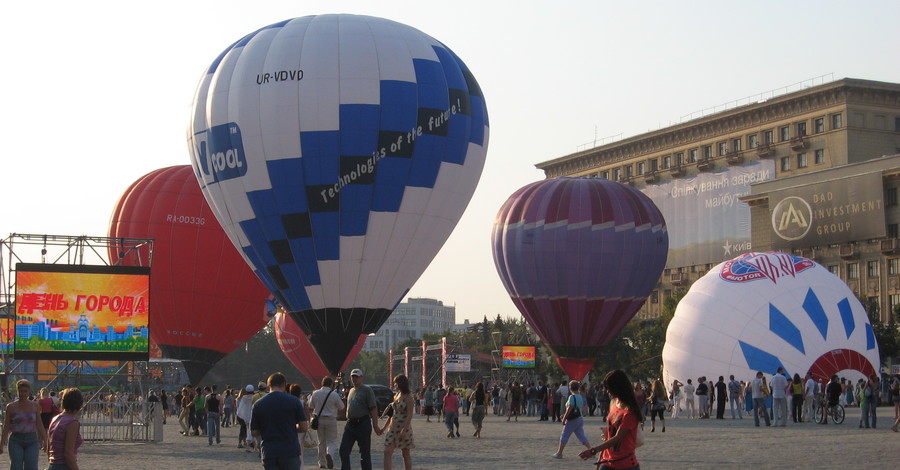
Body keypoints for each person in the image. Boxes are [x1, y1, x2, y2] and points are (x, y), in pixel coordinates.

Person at [578, 370, 642, 470]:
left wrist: (593, 451)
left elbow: (617, 438)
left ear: (618, 388)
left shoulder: (629, 413)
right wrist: (600, 459)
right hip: (607, 462)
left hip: (626, 465)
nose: (607, 391)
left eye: (609, 388)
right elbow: (609, 437)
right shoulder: (614, 404)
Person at [250, 372, 308, 470]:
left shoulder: (258, 404)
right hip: (290, 450)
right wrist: (292, 427)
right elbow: (303, 427)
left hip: (269, 451)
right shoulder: (294, 401)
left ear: (268, 386)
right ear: (284, 385)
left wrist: (266, 428)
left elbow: (254, 432)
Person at [0, 379, 48, 470]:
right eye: (21, 391)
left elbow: (39, 424)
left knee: (31, 466)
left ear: (29, 392)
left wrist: (45, 441)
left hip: (32, 440)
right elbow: (6, 426)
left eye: (25, 391)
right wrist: (1, 444)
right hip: (16, 440)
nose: (23, 393)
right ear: (17, 392)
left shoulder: (35, 406)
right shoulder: (11, 407)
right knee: (16, 466)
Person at [340, 369, 383, 470]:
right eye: (353, 377)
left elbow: (373, 408)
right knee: (343, 450)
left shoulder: (367, 390)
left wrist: (375, 425)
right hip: (350, 425)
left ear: (361, 378)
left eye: (356, 377)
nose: (354, 379)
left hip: (362, 424)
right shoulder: (351, 390)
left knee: (364, 453)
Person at [309, 376, 345, 469]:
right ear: (331, 385)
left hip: (319, 419)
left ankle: (322, 463)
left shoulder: (315, 393)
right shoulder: (334, 395)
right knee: (331, 441)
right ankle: (329, 454)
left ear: (322, 383)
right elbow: (341, 407)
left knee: (321, 442)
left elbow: (310, 406)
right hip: (331, 419)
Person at [46, 388, 84, 470]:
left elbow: (49, 447)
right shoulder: (72, 423)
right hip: (64, 465)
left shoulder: (55, 419)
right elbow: (68, 453)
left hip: (53, 464)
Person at [551, 381, 591, 459]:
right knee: (581, 436)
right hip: (579, 418)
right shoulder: (580, 396)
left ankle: (559, 453)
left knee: (564, 435)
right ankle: (591, 450)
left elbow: (570, 408)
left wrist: (564, 418)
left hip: (572, 420)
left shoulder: (572, 397)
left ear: (570, 388)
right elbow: (578, 408)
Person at [383, 375, 414, 470]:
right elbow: (392, 413)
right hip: (393, 427)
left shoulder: (409, 398)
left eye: (396, 382)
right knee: (387, 451)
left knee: (405, 453)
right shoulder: (396, 396)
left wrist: (404, 430)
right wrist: (384, 428)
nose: (394, 384)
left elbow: (409, 415)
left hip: (403, 428)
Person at [237, 385, 254, 450]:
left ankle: (248, 445)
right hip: (252, 415)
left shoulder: (244, 397)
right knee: (252, 430)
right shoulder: (254, 397)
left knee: (247, 430)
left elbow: (241, 407)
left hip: (246, 416)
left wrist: (240, 415)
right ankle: (252, 445)